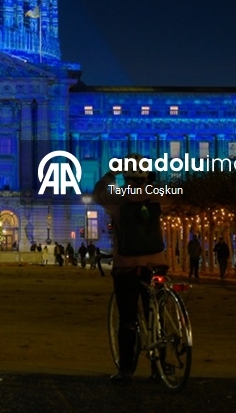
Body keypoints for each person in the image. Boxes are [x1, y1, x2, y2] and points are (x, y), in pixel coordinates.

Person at [94, 156, 168, 384]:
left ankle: (126, 369)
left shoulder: (118, 198)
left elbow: (98, 193)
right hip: (156, 262)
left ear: (125, 176)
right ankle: (161, 368)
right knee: (157, 313)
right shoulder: (158, 195)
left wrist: (111, 174)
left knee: (127, 318)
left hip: (127, 264)